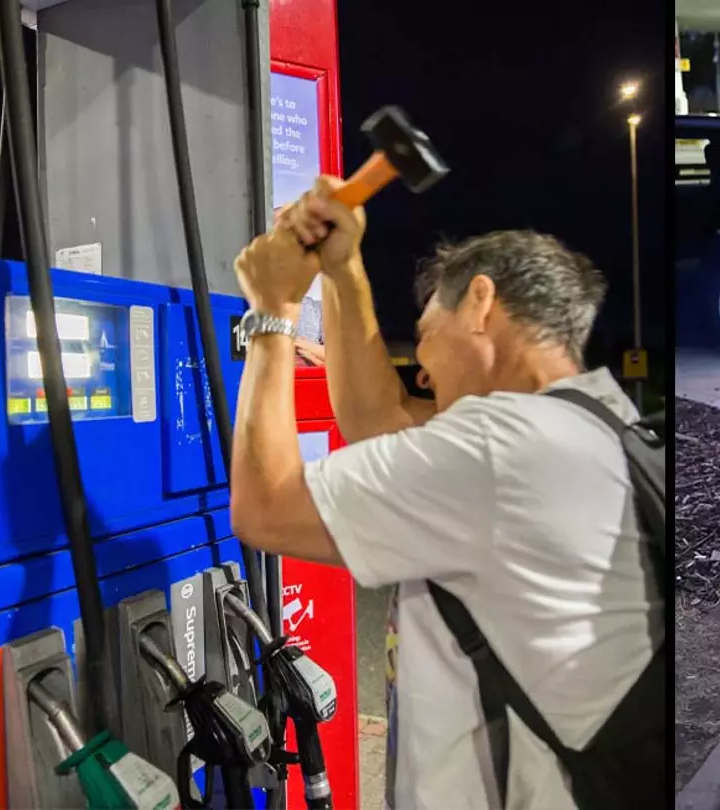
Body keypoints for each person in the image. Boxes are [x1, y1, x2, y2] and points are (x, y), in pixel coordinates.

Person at [225, 178, 663, 809]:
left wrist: (272, 311)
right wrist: (343, 273)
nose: (423, 367)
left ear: (481, 302)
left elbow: (266, 509)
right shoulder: (592, 425)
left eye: (428, 334)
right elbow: (381, 419)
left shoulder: (501, 449)